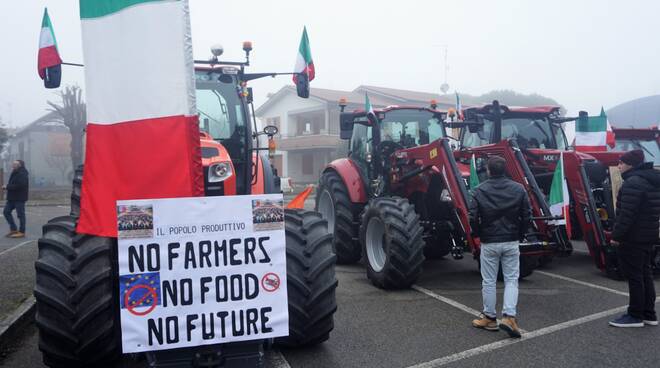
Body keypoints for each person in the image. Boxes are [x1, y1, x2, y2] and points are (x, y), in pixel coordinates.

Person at [468, 156, 531, 338]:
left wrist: (480, 233)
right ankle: (509, 317)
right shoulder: (518, 189)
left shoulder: (479, 191)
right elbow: (527, 215)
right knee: (512, 279)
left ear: (488, 170)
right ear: (505, 169)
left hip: (490, 241)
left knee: (488, 280)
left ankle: (489, 317)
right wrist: (520, 234)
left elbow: (473, 218)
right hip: (511, 240)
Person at [609, 149, 659, 328]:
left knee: (635, 276)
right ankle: (649, 314)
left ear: (630, 165)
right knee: (645, 274)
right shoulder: (651, 180)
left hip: (632, 237)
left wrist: (616, 236)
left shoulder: (633, 183)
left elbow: (626, 215)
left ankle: (635, 315)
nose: (619, 165)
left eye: (621, 163)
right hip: (648, 235)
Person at [3, 160, 29, 238]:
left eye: (15, 164)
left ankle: (22, 231)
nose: (13, 165)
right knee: (6, 212)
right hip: (12, 198)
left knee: (20, 215)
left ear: (20, 165)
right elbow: (13, 183)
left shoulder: (23, 173)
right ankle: (13, 229)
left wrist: (7, 187)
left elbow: (20, 185)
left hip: (19, 198)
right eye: (13, 163)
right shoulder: (14, 172)